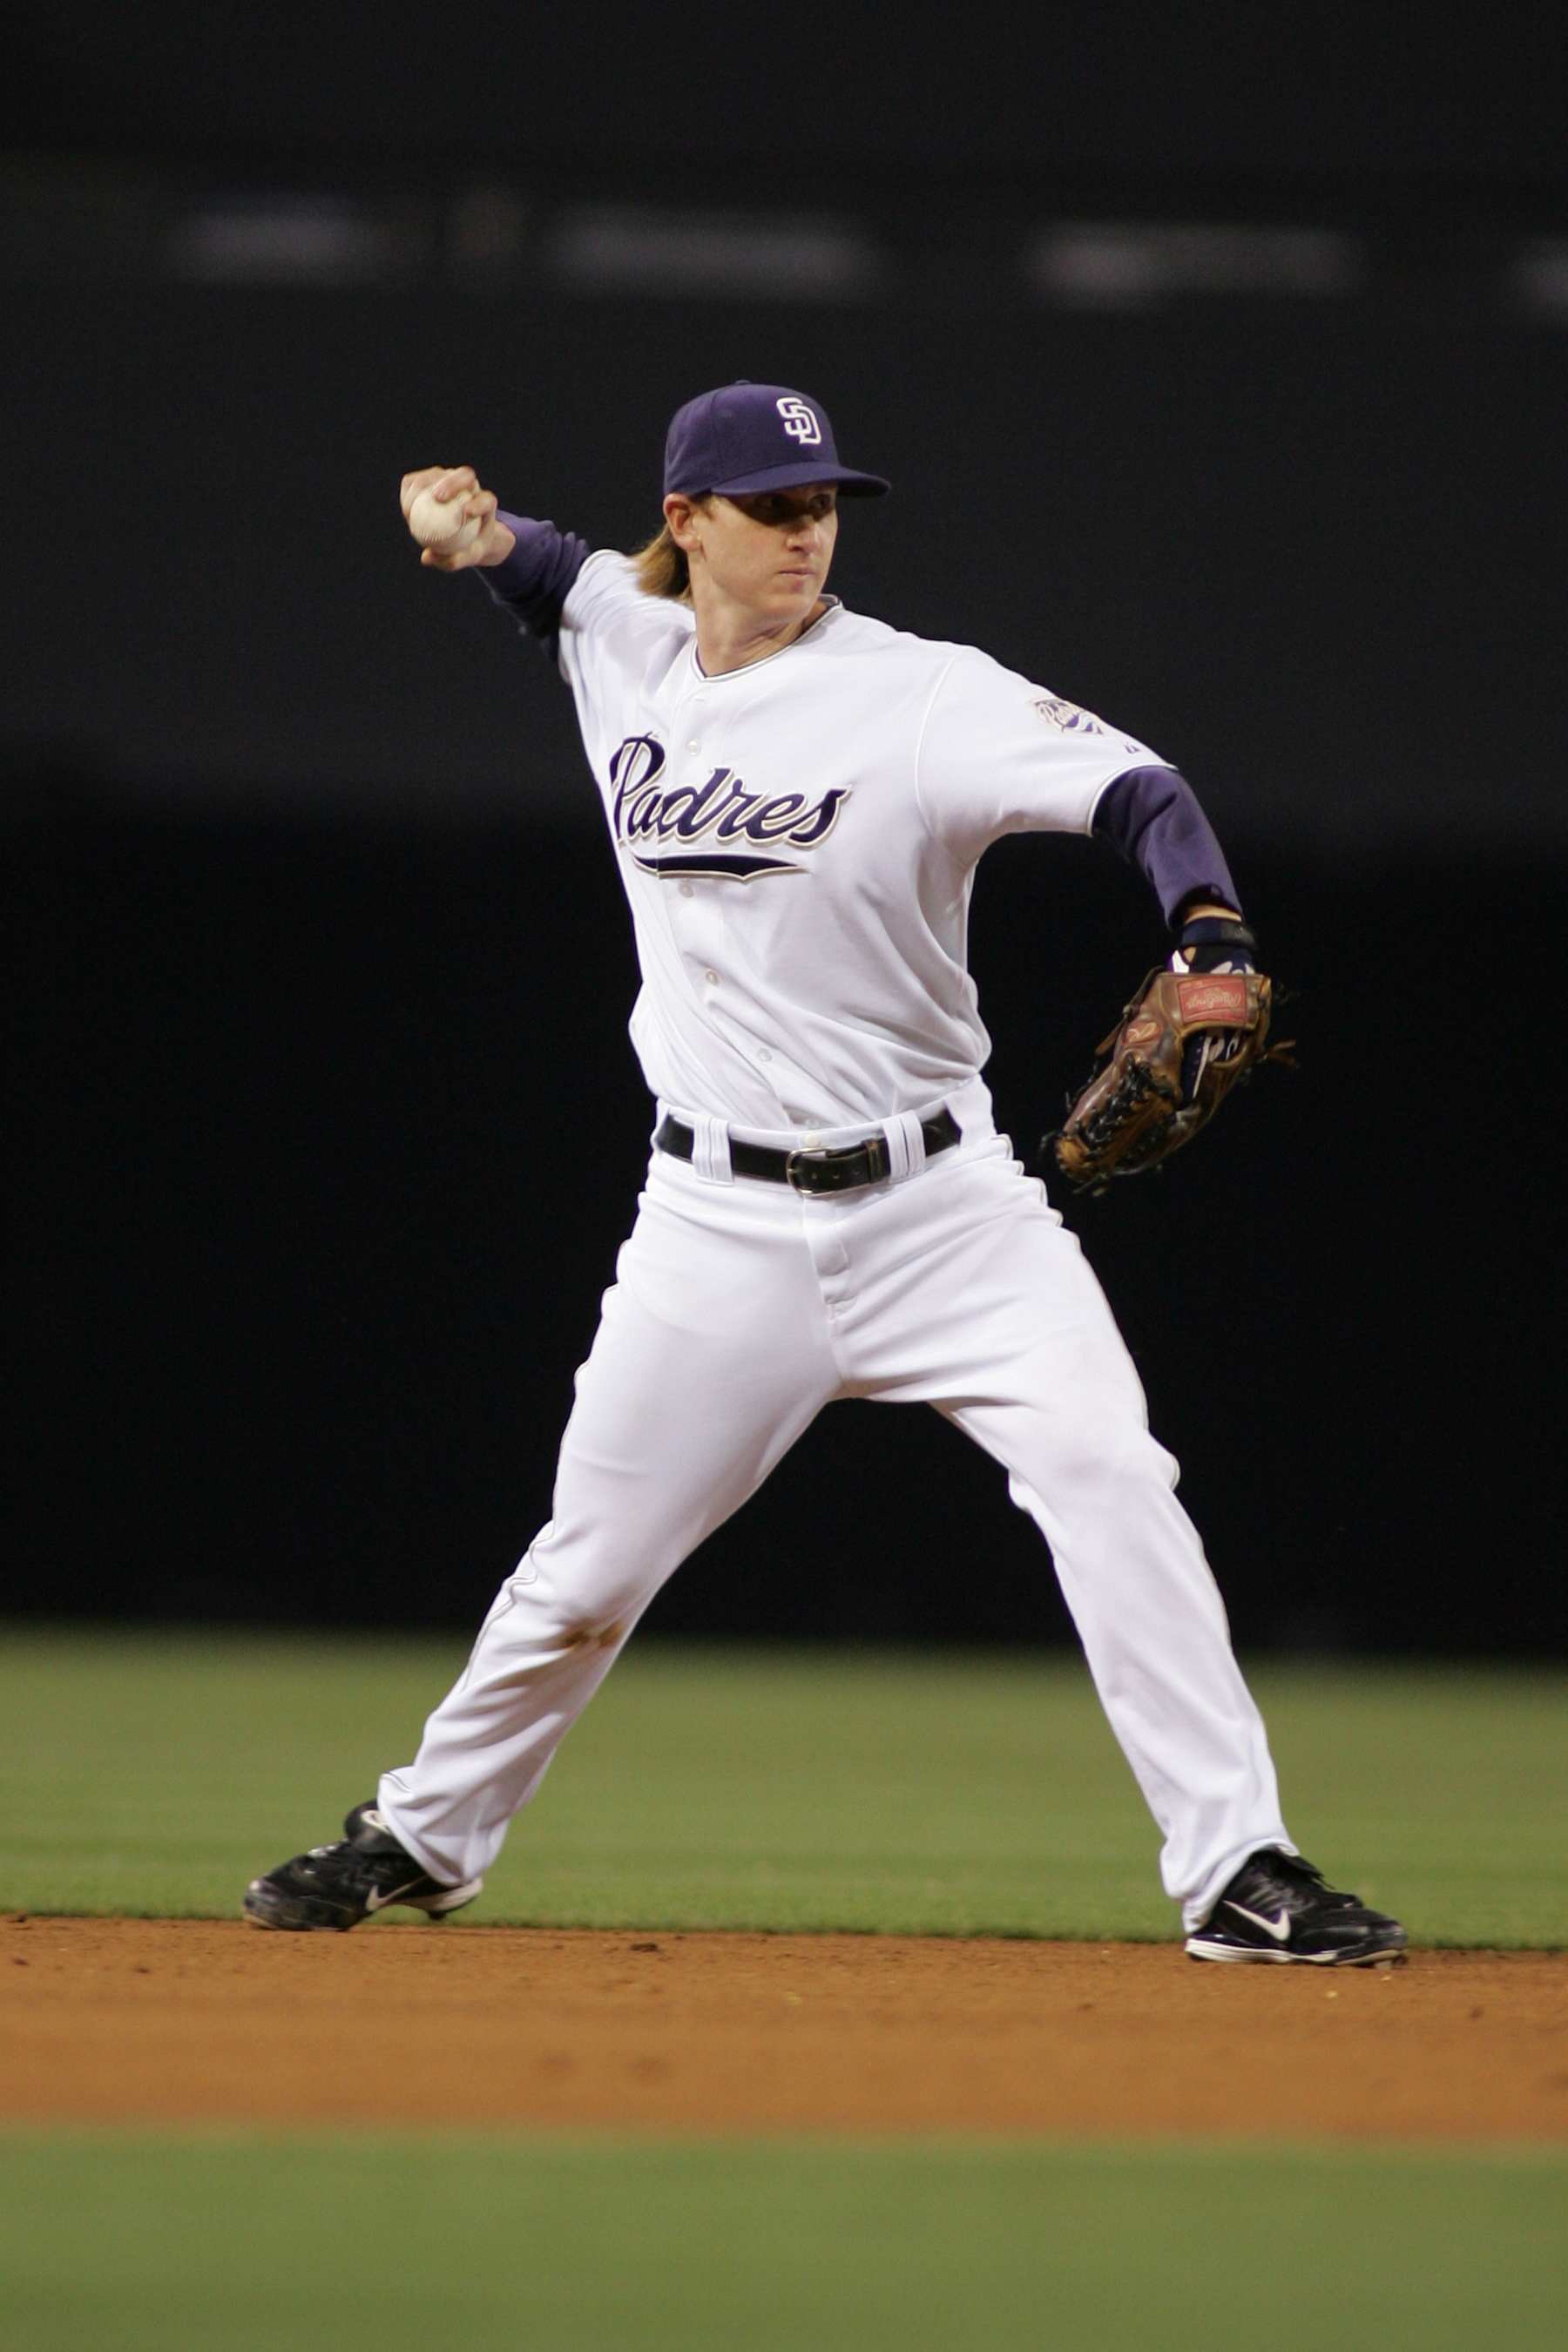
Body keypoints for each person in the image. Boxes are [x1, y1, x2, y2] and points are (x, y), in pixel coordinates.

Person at [245, 382, 1404, 1966]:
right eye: (773, 507)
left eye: (824, 504)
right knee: (586, 1569)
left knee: (1115, 1483)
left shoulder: (921, 693)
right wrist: (471, 529)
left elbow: (1142, 790)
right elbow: (550, 575)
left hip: (944, 1210)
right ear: (690, 522)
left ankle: (1239, 1872)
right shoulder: (628, 639)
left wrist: (1210, 930)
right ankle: (427, 1835)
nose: (809, 532)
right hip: (712, 1225)